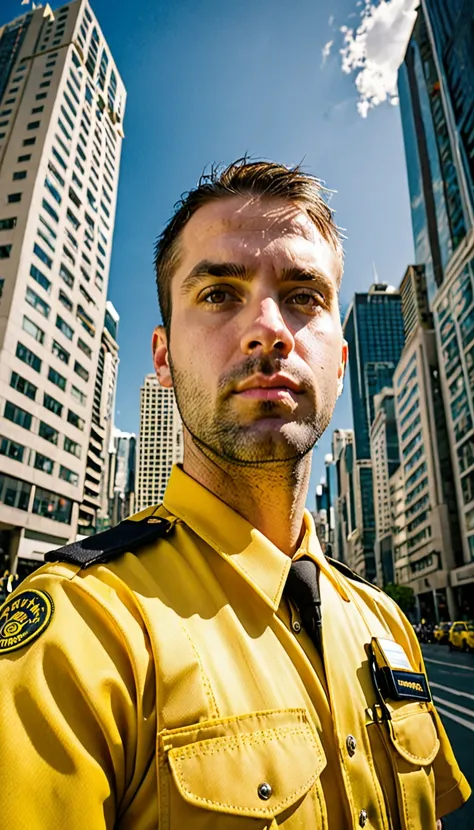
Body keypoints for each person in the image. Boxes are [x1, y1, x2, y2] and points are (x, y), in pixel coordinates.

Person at [0, 159, 470, 829]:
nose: (269, 329)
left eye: (305, 296)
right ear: (161, 358)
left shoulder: (386, 624)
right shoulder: (76, 640)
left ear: (340, 361)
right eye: (219, 294)